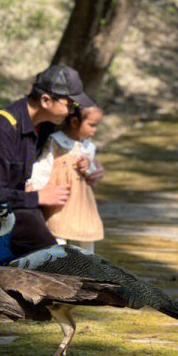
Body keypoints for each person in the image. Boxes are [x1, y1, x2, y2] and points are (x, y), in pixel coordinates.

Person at [0, 65, 96, 259]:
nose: (71, 111)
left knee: (69, 240)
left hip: (23, 204)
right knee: (54, 257)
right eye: (69, 104)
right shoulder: (1, 130)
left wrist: (92, 168)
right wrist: (39, 197)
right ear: (45, 100)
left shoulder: (46, 126)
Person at [27, 103, 105, 253]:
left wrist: (88, 166)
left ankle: (89, 262)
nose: (94, 131)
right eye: (91, 125)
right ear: (75, 122)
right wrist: (34, 185)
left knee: (86, 230)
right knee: (58, 227)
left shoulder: (88, 147)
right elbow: (44, 164)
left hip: (81, 198)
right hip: (61, 196)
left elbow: (91, 173)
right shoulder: (56, 141)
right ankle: (59, 260)